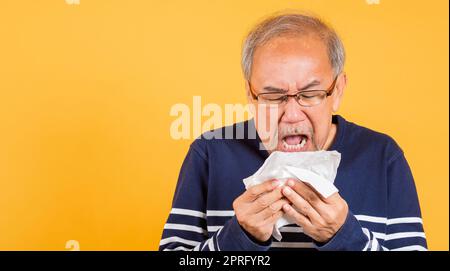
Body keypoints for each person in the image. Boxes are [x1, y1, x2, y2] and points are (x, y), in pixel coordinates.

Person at [159, 13, 427, 251]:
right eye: (273, 96)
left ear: (338, 91)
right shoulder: (210, 152)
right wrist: (238, 238)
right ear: (250, 95)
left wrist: (345, 238)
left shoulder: (382, 157)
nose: (292, 114)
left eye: (310, 95)